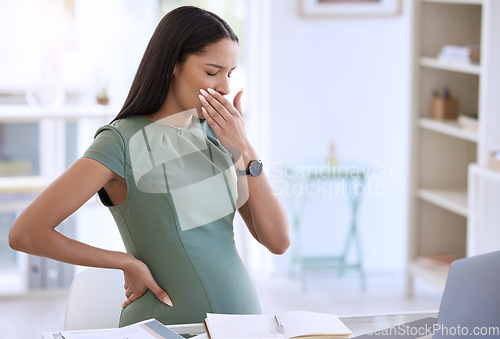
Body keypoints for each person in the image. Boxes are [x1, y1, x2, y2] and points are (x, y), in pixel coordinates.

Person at [8, 6, 289, 327]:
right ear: (172, 65)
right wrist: (125, 263)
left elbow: (277, 241)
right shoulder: (122, 141)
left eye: (230, 73)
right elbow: (26, 233)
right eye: (212, 72)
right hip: (167, 328)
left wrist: (245, 148)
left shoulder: (219, 138)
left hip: (241, 328)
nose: (224, 87)